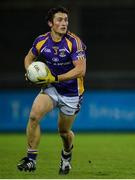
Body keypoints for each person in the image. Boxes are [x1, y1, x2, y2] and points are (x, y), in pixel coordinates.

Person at [17, 6, 86, 175]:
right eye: (59, 20)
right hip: (51, 88)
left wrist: (55, 78)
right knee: (34, 116)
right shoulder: (41, 40)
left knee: (63, 132)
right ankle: (31, 160)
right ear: (50, 23)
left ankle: (66, 155)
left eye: (66, 20)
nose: (64, 23)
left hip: (72, 92)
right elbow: (28, 58)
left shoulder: (74, 42)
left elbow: (80, 70)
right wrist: (29, 71)